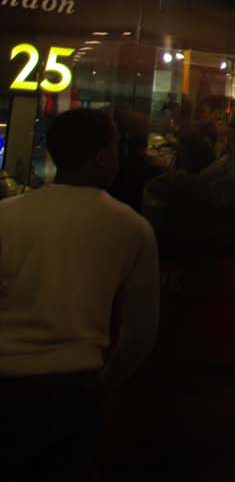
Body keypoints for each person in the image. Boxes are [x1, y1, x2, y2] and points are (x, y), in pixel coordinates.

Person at [0, 109, 159, 481]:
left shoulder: (7, 215)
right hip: (75, 387)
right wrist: (107, 381)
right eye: (116, 146)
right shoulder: (132, 228)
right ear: (102, 156)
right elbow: (140, 333)